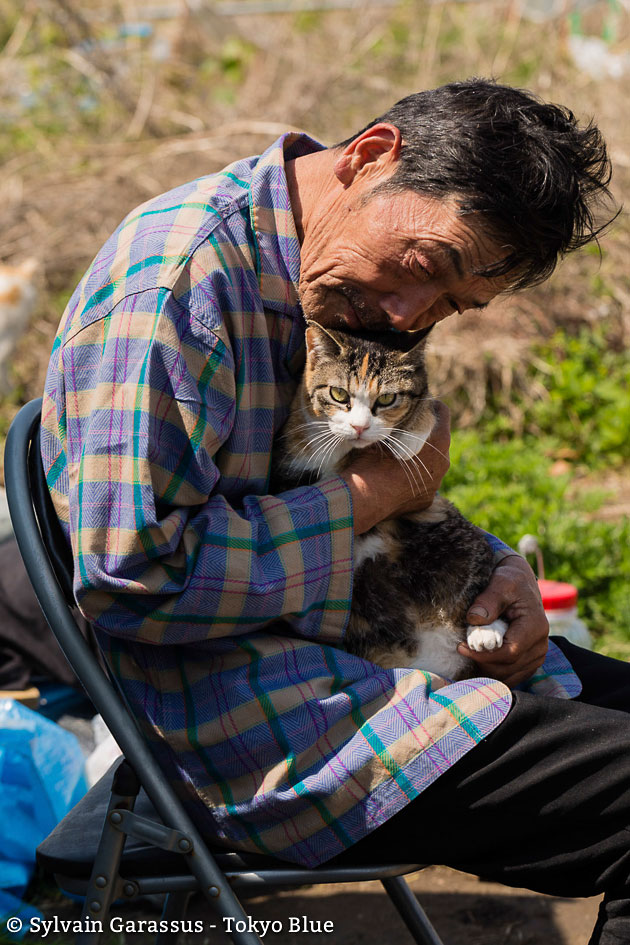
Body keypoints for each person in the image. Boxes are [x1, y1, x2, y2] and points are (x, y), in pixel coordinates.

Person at [40, 78, 626, 943]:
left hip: (371, 643)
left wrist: (495, 570)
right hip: (268, 722)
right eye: (426, 270)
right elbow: (132, 574)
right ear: (370, 156)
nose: (408, 315)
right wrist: (374, 493)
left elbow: (369, 502)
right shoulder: (176, 287)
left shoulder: (336, 280)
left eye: (452, 306)